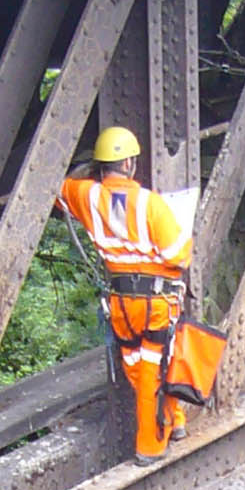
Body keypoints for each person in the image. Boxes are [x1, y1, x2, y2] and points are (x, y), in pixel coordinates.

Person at [57, 126, 194, 466]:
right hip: (156, 303)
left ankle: (174, 419)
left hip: (121, 304)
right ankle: (151, 445)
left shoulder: (87, 196)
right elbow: (179, 256)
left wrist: (89, 172)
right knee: (154, 367)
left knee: (136, 366)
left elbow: (59, 190)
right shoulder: (150, 203)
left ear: (101, 165)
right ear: (130, 163)